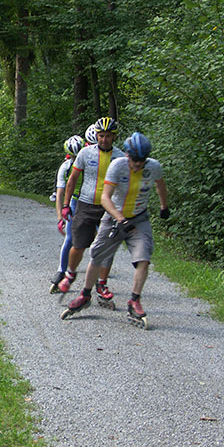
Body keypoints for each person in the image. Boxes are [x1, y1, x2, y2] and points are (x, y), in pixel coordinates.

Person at [61, 132, 170, 328]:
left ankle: (134, 300)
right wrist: (119, 218)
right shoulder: (117, 166)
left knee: (143, 258)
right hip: (113, 216)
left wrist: (164, 207)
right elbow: (105, 198)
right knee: (96, 255)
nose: (138, 164)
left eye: (141, 160)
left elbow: (160, 184)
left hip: (138, 218)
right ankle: (85, 295)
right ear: (128, 155)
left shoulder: (153, 167)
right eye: (135, 160)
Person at [51, 117, 124, 303]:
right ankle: (70, 273)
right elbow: (73, 179)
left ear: (114, 137)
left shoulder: (120, 157)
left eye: (108, 136)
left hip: (109, 207)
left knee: (107, 248)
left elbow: (126, 184)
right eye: (101, 136)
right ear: (96, 136)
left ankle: (101, 283)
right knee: (79, 243)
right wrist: (66, 205)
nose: (104, 139)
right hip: (86, 203)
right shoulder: (85, 153)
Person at [52, 135, 85, 290]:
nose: (76, 159)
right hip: (74, 201)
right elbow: (60, 193)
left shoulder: (90, 162)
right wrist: (60, 218)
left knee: (99, 237)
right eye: (73, 156)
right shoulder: (65, 167)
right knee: (70, 238)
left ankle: (101, 274)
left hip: (91, 202)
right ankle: (61, 271)